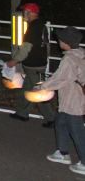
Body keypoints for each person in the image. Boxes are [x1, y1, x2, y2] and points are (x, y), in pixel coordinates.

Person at [39, 26, 85, 175]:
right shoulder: (81, 54)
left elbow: (60, 79)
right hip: (70, 98)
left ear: (66, 42)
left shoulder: (69, 59)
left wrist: (42, 87)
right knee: (60, 122)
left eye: (60, 39)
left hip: (73, 100)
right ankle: (63, 152)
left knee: (77, 131)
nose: (58, 41)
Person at [6, 2, 56, 126]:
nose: (23, 15)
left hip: (34, 66)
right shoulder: (41, 26)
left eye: (25, 12)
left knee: (38, 93)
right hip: (36, 65)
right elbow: (47, 46)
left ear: (30, 13)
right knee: (26, 89)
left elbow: (25, 50)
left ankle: (52, 119)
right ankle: (22, 113)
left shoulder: (33, 29)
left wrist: (14, 61)